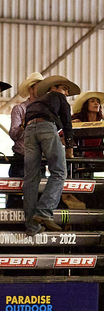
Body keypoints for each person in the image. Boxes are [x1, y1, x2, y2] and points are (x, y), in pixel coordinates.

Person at [22, 75, 81, 236]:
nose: (66, 92)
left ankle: (31, 226)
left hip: (29, 130)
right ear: (53, 88)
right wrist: (69, 145)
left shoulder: (35, 103)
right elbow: (67, 122)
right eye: (64, 88)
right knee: (60, 171)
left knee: (30, 177)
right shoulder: (59, 98)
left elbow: (25, 122)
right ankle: (44, 211)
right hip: (47, 128)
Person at [7, 72, 44, 209]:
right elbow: (13, 134)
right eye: (39, 86)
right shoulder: (20, 109)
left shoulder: (45, 110)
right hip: (21, 159)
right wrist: (23, 126)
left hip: (37, 159)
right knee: (15, 196)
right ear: (31, 89)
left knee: (38, 196)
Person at [71, 91, 104, 158]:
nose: (96, 103)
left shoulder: (101, 124)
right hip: (80, 157)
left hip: (98, 157)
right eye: (92, 101)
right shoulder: (77, 121)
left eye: (98, 102)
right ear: (85, 105)